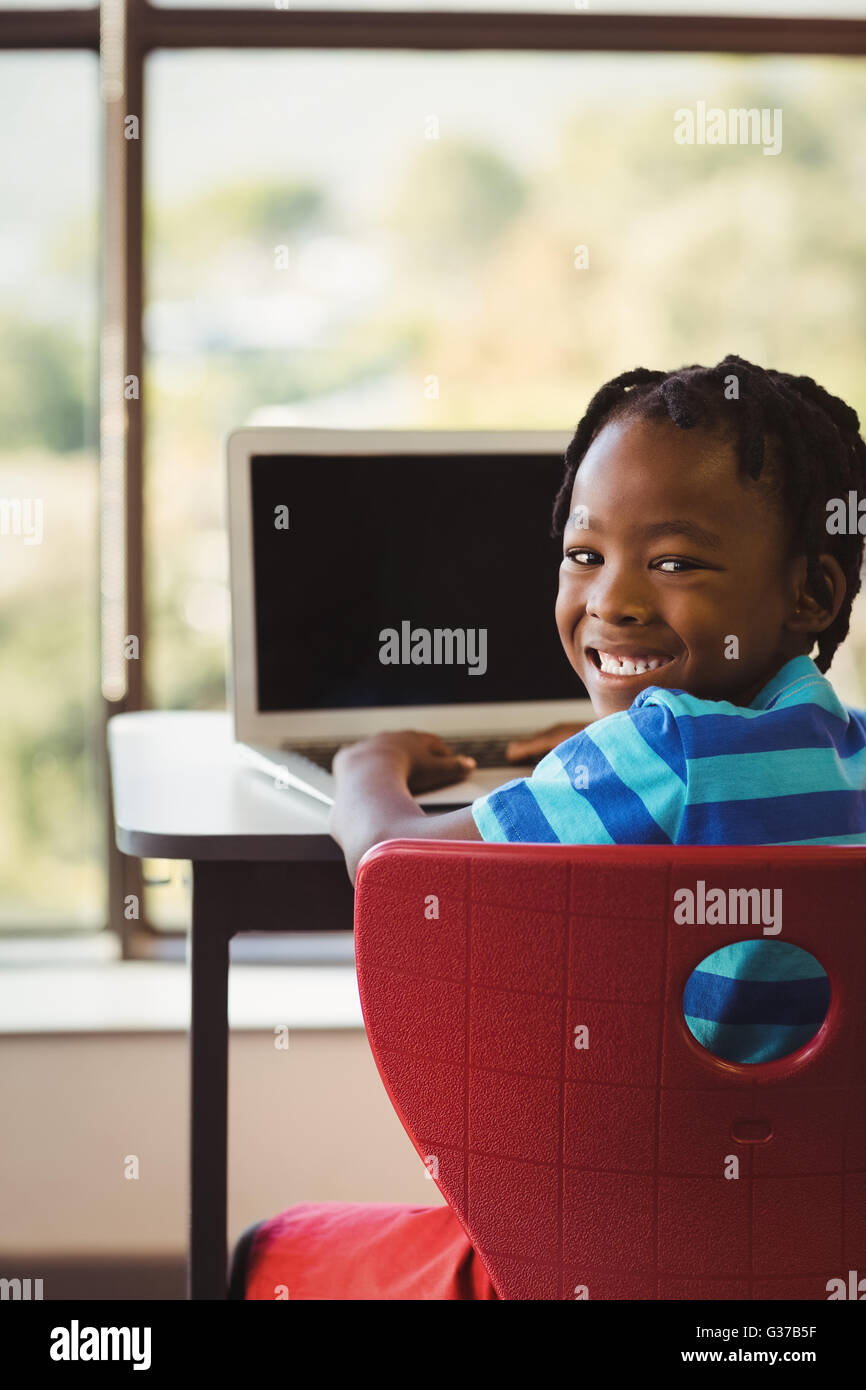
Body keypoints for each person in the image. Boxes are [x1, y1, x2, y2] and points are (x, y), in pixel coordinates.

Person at [243, 354, 866, 1299]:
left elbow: (396, 867)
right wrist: (600, 739)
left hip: (600, 1254)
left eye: (674, 562)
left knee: (265, 1244)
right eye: (586, 555)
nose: (612, 600)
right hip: (822, 1254)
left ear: (811, 595)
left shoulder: (653, 754)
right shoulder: (847, 750)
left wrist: (366, 764)